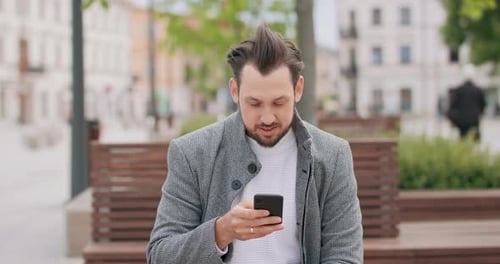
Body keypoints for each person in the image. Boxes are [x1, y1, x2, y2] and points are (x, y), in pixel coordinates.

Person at [147, 24, 363, 264]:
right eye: (255, 103)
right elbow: (160, 255)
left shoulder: (333, 156)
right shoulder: (192, 153)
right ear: (234, 91)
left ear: (298, 89)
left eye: (279, 102)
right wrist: (221, 232)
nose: (268, 118)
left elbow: (345, 256)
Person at [447, 65, 486, 140]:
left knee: (463, 141)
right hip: (474, 121)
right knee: (474, 141)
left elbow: (452, 106)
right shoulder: (478, 91)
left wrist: (454, 119)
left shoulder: (458, 90)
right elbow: (483, 105)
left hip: (462, 123)